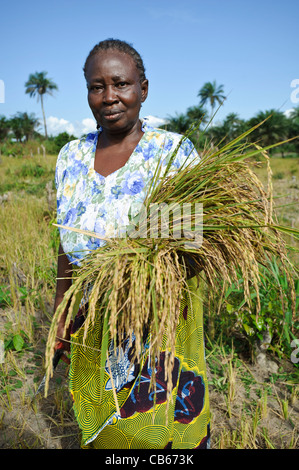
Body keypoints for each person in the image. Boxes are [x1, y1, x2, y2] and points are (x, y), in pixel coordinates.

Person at [53, 38, 210, 449]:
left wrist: (131, 288)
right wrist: (61, 313)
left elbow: (188, 251)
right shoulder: (70, 158)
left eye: (120, 84)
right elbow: (65, 247)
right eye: (96, 86)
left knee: (158, 434)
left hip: (155, 322)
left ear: (143, 89)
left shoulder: (170, 153)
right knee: (104, 431)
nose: (109, 97)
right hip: (89, 322)